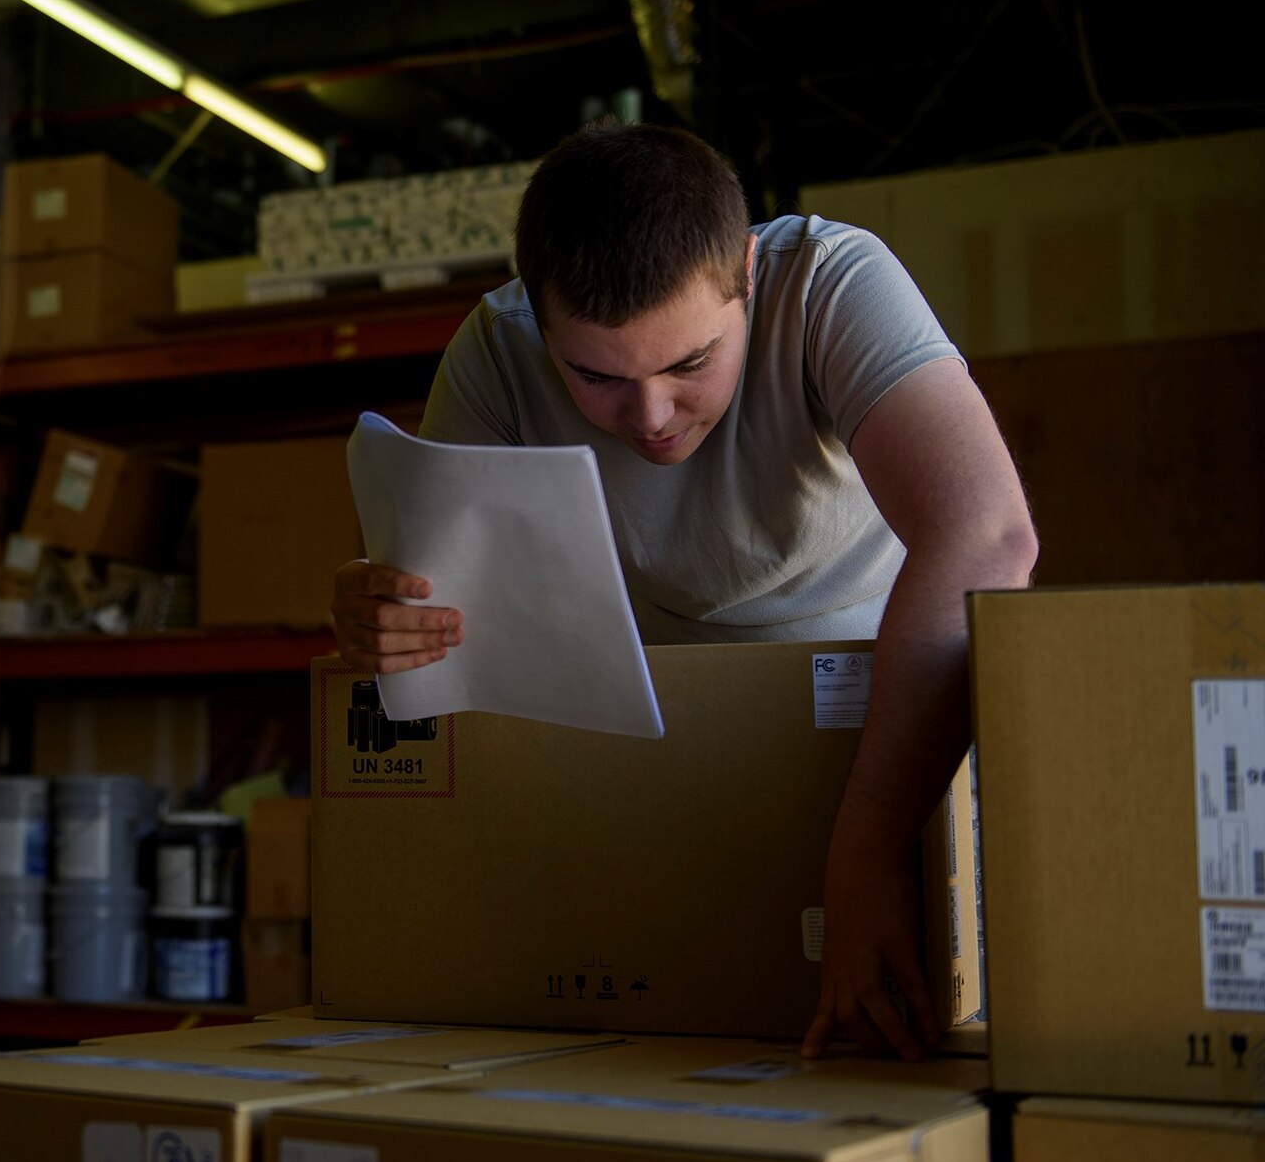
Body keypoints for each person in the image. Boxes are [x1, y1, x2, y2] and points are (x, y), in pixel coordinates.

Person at [328, 122, 1037, 1061]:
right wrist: (381, 617)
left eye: (690, 363)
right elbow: (452, 619)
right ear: (537, 317)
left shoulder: (831, 280)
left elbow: (987, 536)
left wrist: (868, 854)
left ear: (747, 271)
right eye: (597, 377)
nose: (651, 416)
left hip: (891, 727)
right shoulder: (497, 354)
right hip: (659, 745)